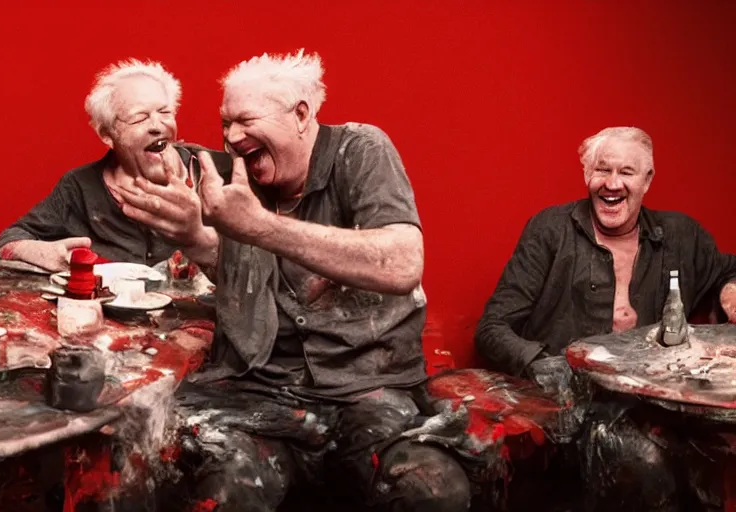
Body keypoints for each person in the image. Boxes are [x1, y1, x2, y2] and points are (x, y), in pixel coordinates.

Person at [137, 49, 470, 511]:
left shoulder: (361, 150)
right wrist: (196, 238)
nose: (232, 137)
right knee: (221, 489)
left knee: (431, 489)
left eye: (245, 120)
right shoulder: (240, 180)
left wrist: (259, 227)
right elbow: (240, 273)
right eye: (225, 123)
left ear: (300, 114)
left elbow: (401, 264)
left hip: (368, 391)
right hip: (258, 392)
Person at [475, 126, 736, 511]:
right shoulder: (551, 230)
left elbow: (728, 270)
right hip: (569, 408)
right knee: (642, 463)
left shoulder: (681, 236)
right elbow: (491, 328)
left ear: (647, 180)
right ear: (587, 176)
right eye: (602, 170)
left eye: (626, 172)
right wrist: (544, 366)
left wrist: (730, 289)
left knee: (704, 463)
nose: (611, 184)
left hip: (652, 404)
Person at [0, 59, 230, 271]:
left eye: (165, 113)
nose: (158, 125)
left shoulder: (220, 174)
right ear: (108, 134)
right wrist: (44, 252)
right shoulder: (80, 187)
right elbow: (7, 241)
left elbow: (261, 270)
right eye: (140, 117)